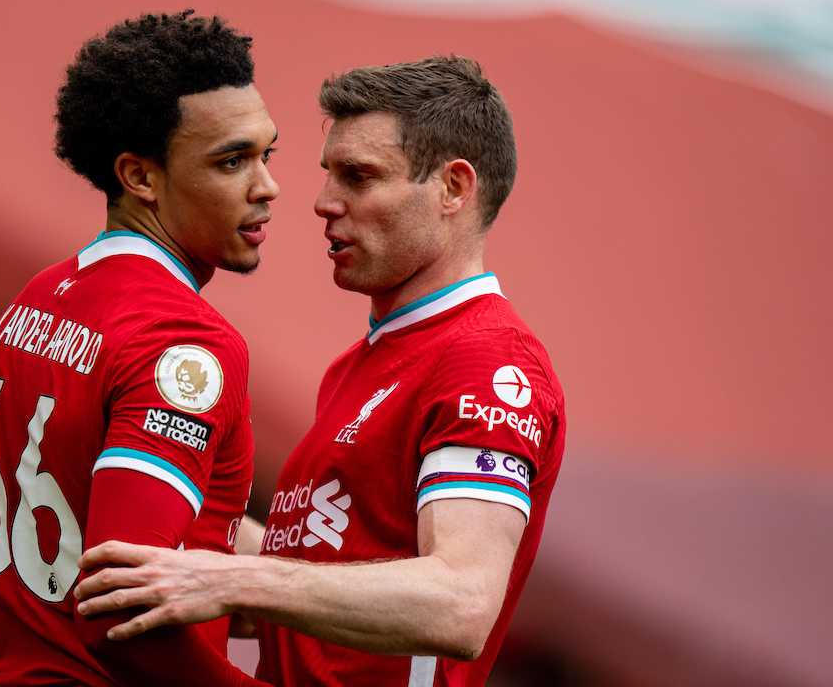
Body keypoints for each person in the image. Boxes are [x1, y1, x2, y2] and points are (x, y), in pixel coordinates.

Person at [74, 55, 566, 687]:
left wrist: (230, 579)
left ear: (453, 188)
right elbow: (311, 570)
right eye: (328, 174)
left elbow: (462, 602)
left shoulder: (487, 361)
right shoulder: (359, 364)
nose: (321, 202)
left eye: (358, 177)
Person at [0, 10, 280, 687]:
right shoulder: (185, 343)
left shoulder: (33, 302)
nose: (266, 188)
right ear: (139, 176)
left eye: (265, 155)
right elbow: (117, 613)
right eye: (232, 161)